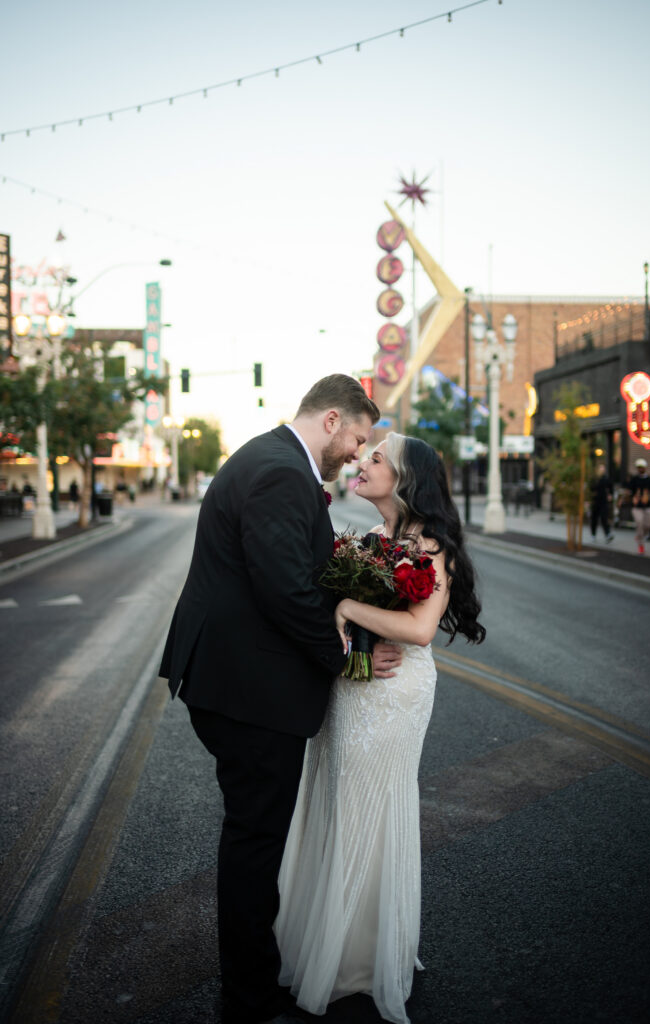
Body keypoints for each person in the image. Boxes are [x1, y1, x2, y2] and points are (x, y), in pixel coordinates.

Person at [159, 375, 401, 1024]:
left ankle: (250, 984)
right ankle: (248, 999)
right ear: (329, 419)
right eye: (355, 437)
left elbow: (291, 574)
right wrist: (348, 661)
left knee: (252, 837)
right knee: (254, 841)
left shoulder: (271, 461)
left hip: (238, 681)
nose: (355, 452)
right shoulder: (278, 472)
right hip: (247, 688)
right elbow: (284, 590)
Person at [275, 433, 486, 1024]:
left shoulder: (430, 544)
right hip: (352, 689)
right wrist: (340, 620)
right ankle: (325, 940)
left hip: (395, 692)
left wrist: (347, 610)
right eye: (364, 456)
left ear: (406, 480)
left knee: (371, 808)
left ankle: (359, 959)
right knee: (336, 804)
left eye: (375, 460)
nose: (361, 463)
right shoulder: (369, 541)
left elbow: (419, 629)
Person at [628, 457, 650, 554]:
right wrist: (634, 496)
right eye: (639, 467)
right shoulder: (634, 479)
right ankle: (641, 544)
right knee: (639, 523)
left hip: (648, 506)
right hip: (637, 507)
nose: (640, 469)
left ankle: (639, 536)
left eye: (642, 467)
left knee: (648, 525)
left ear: (645, 468)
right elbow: (629, 491)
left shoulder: (649, 479)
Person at [589, 463, 614, 542]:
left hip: (603, 501)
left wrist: (610, 495)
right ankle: (593, 534)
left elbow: (611, 488)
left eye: (603, 469)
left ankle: (607, 534)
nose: (602, 470)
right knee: (594, 519)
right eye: (601, 469)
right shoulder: (594, 479)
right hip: (595, 501)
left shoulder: (606, 478)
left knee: (604, 518)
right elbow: (591, 488)